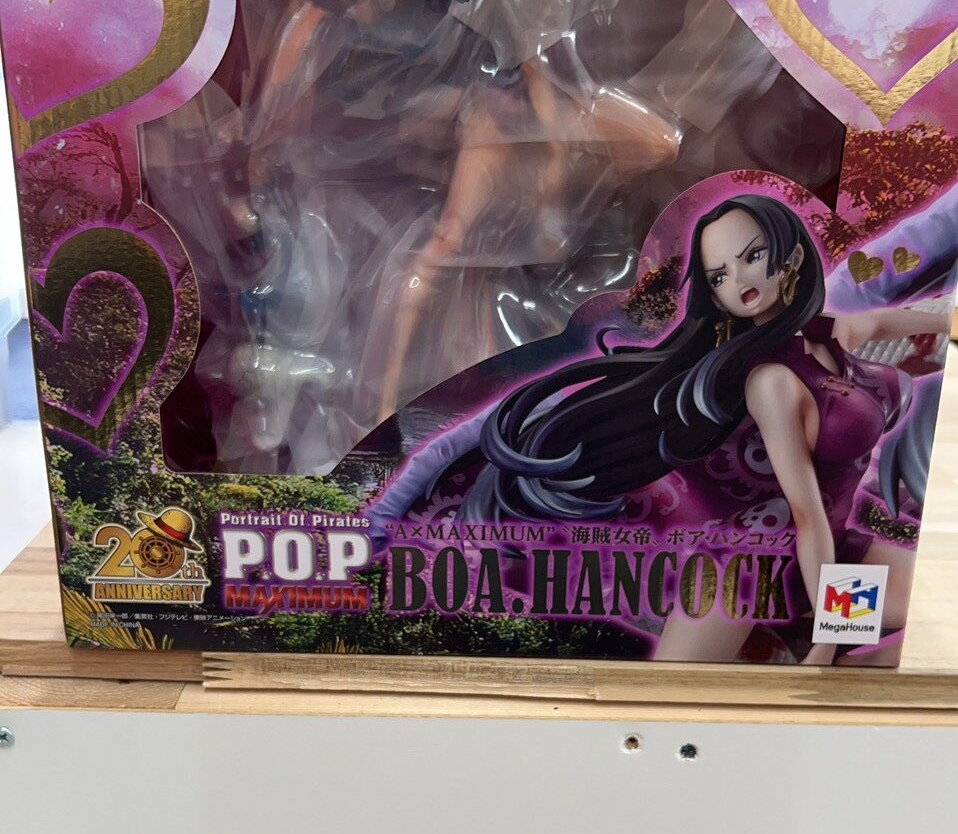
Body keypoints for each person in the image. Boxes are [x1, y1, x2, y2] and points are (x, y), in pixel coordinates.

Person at [369, 192, 947, 663]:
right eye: (719, 275)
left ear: (791, 255)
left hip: (834, 551)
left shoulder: (833, 334)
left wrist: (944, 323)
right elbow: (804, 514)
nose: (739, 279)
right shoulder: (770, 381)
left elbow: (907, 319)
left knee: (931, 624)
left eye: (752, 256)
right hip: (753, 565)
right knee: (683, 701)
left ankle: (815, 658)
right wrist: (827, 637)